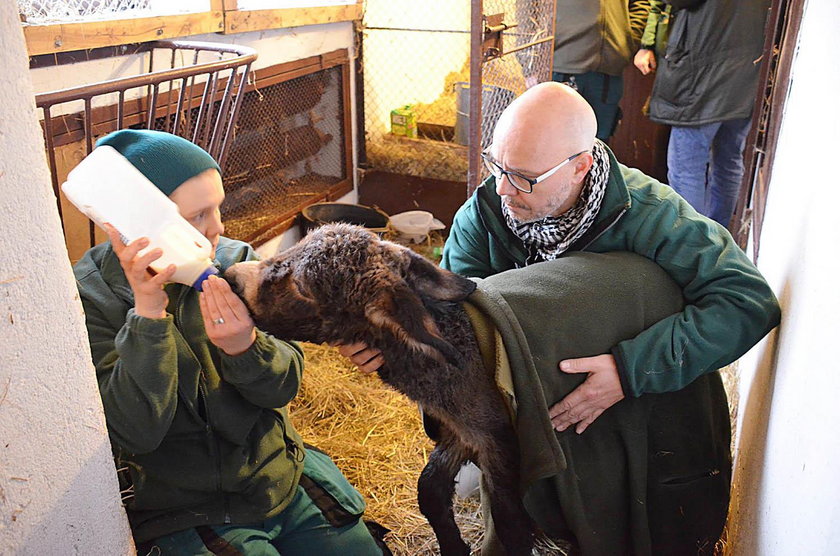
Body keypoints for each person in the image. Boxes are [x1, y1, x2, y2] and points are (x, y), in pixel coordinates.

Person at [341, 81, 780, 552]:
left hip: (622, 385)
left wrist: (629, 371)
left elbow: (746, 301)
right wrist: (398, 349)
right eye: (497, 166)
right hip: (531, 384)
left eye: (525, 177)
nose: (503, 189)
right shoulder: (486, 213)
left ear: (580, 166)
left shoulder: (649, 214)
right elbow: (460, 322)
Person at [73, 129, 384, 555]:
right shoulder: (89, 299)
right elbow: (136, 434)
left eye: (218, 207)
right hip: (187, 508)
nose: (219, 227)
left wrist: (245, 348)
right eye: (198, 215)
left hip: (277, 478)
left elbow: (283, 387)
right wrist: (148, 313)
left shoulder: (238, 264)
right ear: (137, 224)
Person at [633, 0, 771, 227]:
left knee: (686, 168)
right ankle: (719, 237)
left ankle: (692, 243)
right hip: (747, 68)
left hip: (702, 69)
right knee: (729, 159)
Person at [551, 0, 652, 141]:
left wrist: (628, 39)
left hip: (608, 69)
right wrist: (530, 63)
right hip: (561, 65)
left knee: (599, 143)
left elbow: (641, 3)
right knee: (556, 142)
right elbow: (529, 9)